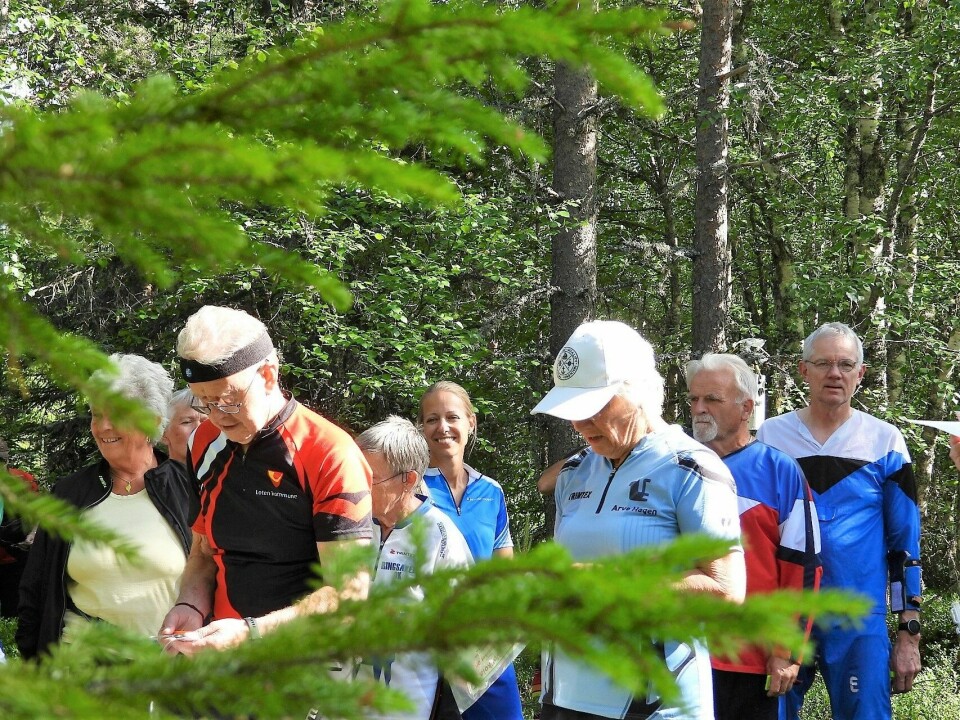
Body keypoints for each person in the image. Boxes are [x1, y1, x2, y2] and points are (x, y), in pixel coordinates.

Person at [532, 320, 746, 720]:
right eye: (572, 410)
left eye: (592, 407)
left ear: (637, 391)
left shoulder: (691, 467)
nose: (578, 424)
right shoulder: (576, 471)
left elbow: (725, 590)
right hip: (565, 699)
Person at [159, 305, 373, 655]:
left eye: (229, 400)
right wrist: (191, 605)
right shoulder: (205, 441)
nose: (217, 417)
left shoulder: (331, 453)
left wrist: (251, 633)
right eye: (204, 402)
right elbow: (204, 553)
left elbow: (349, 595)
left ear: (269, 375)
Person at [756, 322, 922, 720]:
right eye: (824, 363)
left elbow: (905, 544)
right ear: (803, 370)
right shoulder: (769, 437)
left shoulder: (885, 441)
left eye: (846, 364)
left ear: (860, 374)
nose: (835, 373)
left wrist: (909, 634)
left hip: (857, 619)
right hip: (784, 615)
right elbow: (753, 536)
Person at [16, 354, 195, 659]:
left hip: (170, 667)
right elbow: (35, 589)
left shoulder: (188, 489)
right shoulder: (69, 495)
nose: (104, 426)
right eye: (96, 414)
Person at [685, 353, 822, 720]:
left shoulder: (780, 471)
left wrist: (787, 649)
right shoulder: (669, 464)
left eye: (712, 399)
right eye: (693, 399)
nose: (699, 409)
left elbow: (803, 569)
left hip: (748, 659)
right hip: (677, 655)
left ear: (746, 408)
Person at [417, 380, 523, 720]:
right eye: (432, 419)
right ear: (421, 427)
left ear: (471, 422)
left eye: (452, 417)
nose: (442, 427)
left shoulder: (491, 491)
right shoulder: (411, 488)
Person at [356, 416, 471, 720]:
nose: (356, 488)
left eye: (369, 479)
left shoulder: (440, 535)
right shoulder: (350, 527)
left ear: (406, 480)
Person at [0, 437, 39, 619]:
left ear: (6, 459)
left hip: (17, 555)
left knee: (14, 611)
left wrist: (33, 534)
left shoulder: (23, 480)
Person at [161, 388, 203, 465]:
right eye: (187, 422)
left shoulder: (228, 474)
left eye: (205, 421)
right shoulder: (157, 476)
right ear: (163, 434)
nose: (199, 428)